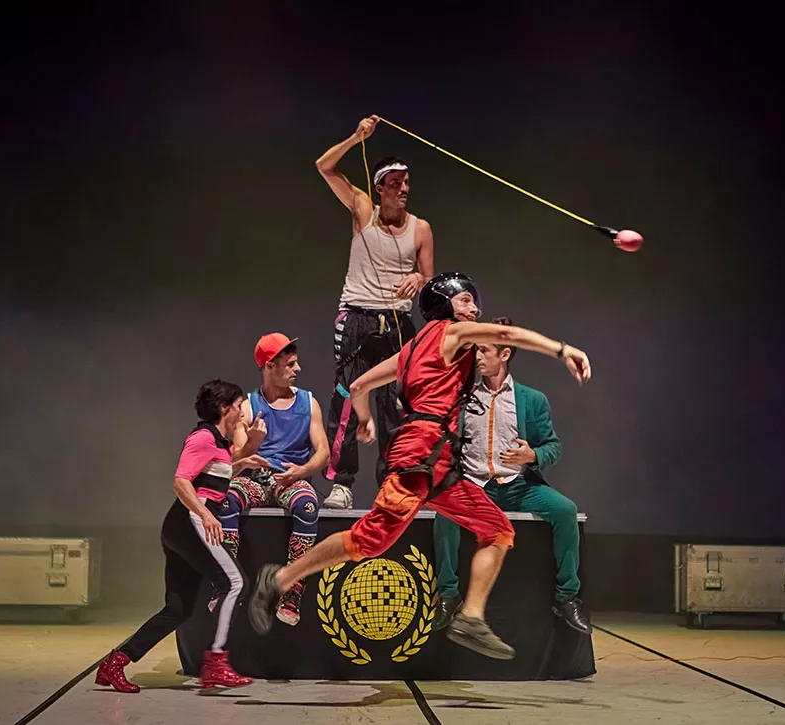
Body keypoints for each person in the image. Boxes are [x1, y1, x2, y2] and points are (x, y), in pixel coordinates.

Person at [247, 273, 592, 660]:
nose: (474, 308)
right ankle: (280, 578)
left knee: (497, 530)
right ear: (445, 305)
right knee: (368, 540)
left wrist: (365, 417)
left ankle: (471, 617)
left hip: (440, 464)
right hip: (418, 456)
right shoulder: (450, 332)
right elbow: (505, 334)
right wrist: (563, 350)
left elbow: (358, 386)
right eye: (465, 300)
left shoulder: (412, 349)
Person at [94, 380, 270, 692]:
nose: (243, 412)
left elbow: (215, 477)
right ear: (223, 408)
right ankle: (216, 662)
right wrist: (205, 515)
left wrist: (244, 459)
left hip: (181, 525)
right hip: (190, 521)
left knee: (177, 609)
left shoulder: (220, 443)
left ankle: (115, 662)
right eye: (238, 405)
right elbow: (181, 481)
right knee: (235, 583)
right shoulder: (203, 437)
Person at [431, 316, 591, 635]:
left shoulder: (531, 399)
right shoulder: (462, 396)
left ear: (504, 354)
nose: (477, 357)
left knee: (565, 511)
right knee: (444, 514)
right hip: (476, 487)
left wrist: (533, 455)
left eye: (484, 350)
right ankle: (448, 595)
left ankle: (566, 597)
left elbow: (553, 446)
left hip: (517, 486)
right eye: (475, 350)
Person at [315, 115, 435, 509]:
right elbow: (324, 166)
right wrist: (356, 137)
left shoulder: (420, 228)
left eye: (407, 182)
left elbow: (429, 279)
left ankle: (393, 483)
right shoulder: (364, 210)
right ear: (380, 186)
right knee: (346, 400)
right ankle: (341, 484)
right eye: (396, 183)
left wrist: (418, 278)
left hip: (398, 323)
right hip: (357, 317)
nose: (404, 189)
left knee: (395, 406)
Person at [225, 333, 329, 626]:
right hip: (256, 480)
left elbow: (323, 452)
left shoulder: (308, 403)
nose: (298, 369)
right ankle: (226, 582)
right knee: (228, 498)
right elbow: (236, 461)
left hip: (291, 480)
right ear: (270, 366)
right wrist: (253, 443)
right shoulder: (248, 406)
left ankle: (292, 591)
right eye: (290, 364)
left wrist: (302, 471)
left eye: (296, 363)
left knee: (307, 504)